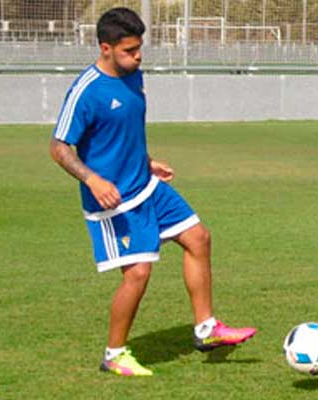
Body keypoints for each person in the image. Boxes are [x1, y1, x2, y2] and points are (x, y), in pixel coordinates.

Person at [50, 7, 256, 377]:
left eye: (140, 48)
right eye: (129, 50)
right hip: (114, 200)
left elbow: (123, 132)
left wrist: (146, 162)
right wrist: (93, 180)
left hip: (146, 185)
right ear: (106, 48)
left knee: (199, 238)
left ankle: (206, 329)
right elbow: (59, 147)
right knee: (138, 274)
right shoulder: (86, 91)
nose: (138, 55)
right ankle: (114, 354)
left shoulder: (134, 77)